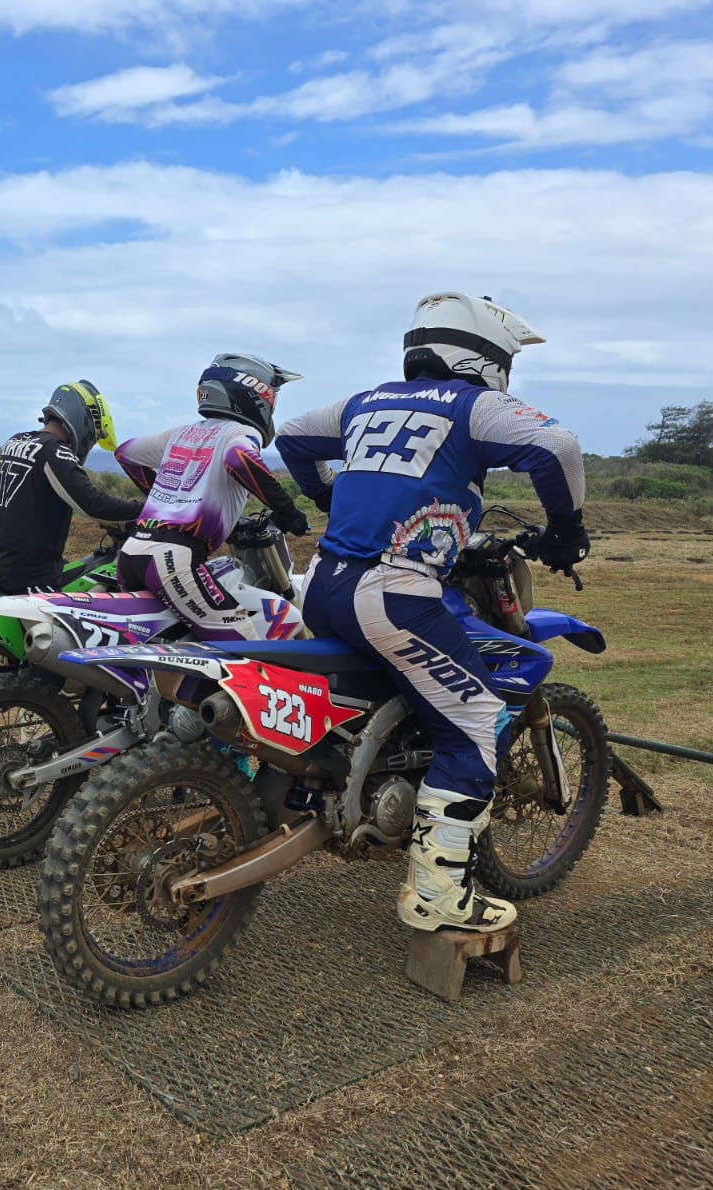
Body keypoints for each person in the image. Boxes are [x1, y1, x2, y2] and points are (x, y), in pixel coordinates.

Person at [275, 291, 590, 935]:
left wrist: (329, 495)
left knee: (377, 692)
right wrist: (566, 530)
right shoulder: (476, 405)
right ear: (486, 356)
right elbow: (556, 446)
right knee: (474, 715)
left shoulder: (364, 401)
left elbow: (292, 436)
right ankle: (439, 897)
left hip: (324, 583)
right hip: (393, 589)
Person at [113, 354, 311, 641]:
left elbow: (125, 453)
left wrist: (166, 499)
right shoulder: (240, 432)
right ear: (256, 395)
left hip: (133, 550)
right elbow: (239, 459)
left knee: (163, 640)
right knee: (243, 640)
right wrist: (287, 509)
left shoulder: (181, 433)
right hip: (174, 557)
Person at [0, 381, 144, 594]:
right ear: (85, 420)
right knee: (73, 626)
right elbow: (92, 504)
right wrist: (146, 509)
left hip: (3, 561)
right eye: (94, 435)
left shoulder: (15, 441)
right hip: (32, 575)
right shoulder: (54, 451)